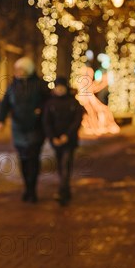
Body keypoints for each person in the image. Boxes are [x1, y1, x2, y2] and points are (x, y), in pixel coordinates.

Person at [0, 56, 50, 203]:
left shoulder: (39, 85)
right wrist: (0, 120)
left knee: (33, 158)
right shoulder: (12, 86)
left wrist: (40, 111)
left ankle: (32, 189)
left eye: (20, 69)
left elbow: (49, 102)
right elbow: (4, 103)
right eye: (16, 69)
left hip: (35, 128)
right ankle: (27, 186)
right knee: (23, 159)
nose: (17, 72)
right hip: (18, 128)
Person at [42, 76, 85, 206]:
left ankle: (62, 191)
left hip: (69, 141)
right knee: (61, 166)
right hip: (56, 141)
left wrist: (67, 135)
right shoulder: (50, 104)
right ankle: (65, 189)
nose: (60, 90)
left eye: (62, 87)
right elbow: (46, 122)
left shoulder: (73, 103)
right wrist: (53, 137)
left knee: (66, 164)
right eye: (58, 87)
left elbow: (77, 121)